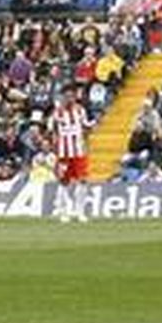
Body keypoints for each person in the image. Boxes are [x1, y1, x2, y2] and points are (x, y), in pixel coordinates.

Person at [51, 85, 91, 224]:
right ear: (62, 97)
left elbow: (86, 128)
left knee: (83, 180)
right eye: (66, 96)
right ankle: (64, 212)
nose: (69, 98)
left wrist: (86, 144)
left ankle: (80, 212)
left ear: (74, 97)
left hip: (79, 151)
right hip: (64, 153)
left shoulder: (80, 110)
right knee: (64, 182)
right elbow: (54, 131)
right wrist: (55, 149)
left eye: (71, 96)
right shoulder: (57, 112)